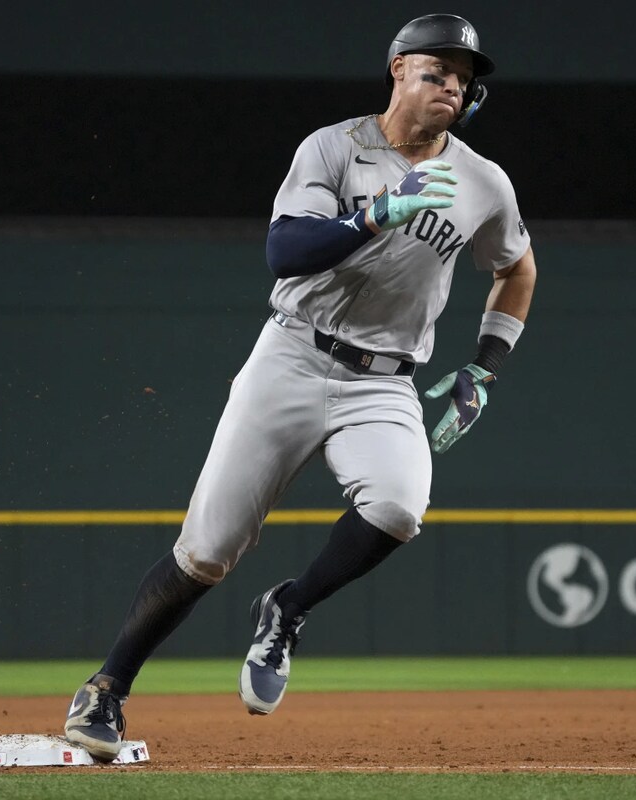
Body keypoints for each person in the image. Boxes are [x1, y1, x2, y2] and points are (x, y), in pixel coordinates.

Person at [62, 13, 536, 761]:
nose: (453, 83)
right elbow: (285, 251)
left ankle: (287, 609)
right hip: (290, 358)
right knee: (207, 553)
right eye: (437, 69)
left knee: (400, 507)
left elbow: (516, 268)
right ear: (397, 68)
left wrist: (485, 365)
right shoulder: (334, 147)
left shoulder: (482, 182)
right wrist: (375, 214)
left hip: (384, 381)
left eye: (464, 76)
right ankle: (107, 687)